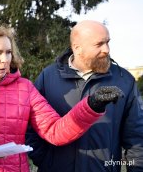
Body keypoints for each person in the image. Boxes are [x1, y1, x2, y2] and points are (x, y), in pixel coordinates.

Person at [0, 25, 123, 172]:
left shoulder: (25, 88)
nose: (5, 60)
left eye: (8, 52)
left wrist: (91, 105)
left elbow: (55, 131)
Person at [26, 20, 143, 172]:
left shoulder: (124, 80)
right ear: (77, 48)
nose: (106, 49)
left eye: (108, 42)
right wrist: (45, 160)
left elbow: (136, 137)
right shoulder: (48, 77)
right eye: (99, 44)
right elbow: (30, 126)